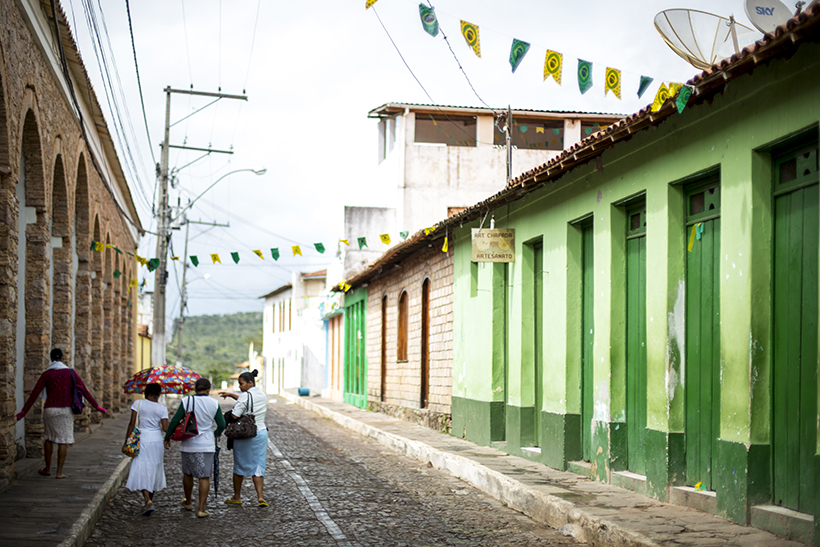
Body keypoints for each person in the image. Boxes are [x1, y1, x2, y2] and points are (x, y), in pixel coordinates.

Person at [15, 348, 106, 479]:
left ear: (51, 358)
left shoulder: (47, 374)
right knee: (63, 441)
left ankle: (47, 469)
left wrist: (22, 413)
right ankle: (59, 472)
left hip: (50, 410)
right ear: (62, 358)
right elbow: (84, 391)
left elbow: (34, 394)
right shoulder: (70, 372)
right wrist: (96, 406)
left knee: (48, 438)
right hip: (65, 410)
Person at [164, 378, 224, 518]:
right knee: (204, 477)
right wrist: (216, 433)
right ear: (209, 389)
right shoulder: (214, 403)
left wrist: (167, 437)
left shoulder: (187, 401)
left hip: (189, 444)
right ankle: (201, 509)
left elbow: (175, 420)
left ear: (195, 388)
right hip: (206, 445)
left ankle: (188, 502)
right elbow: (221, 424)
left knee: (188, 474)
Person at [219, 370, 269, 507]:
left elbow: (235, 415)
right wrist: (232, 395)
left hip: (245, 434)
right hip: (261, 432)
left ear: (250, 383)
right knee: (258, 465)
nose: (240, 386)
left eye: (241, 384)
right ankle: (260, 497)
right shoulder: (262, 395)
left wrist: (225, 415)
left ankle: (237, 496)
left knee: (239, 464)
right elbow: (247, 401)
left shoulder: (245, 396)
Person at [123, 383, 169, 515]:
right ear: (159, 394)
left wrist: (126, 440)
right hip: (156, 440)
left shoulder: (138, 404)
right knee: (155, 468)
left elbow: (132, 424)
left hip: (142, 439)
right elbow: (165, 428)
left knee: (141, 468)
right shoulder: (162, 408)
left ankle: (147, 499)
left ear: (146, 392)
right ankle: (149, 501)